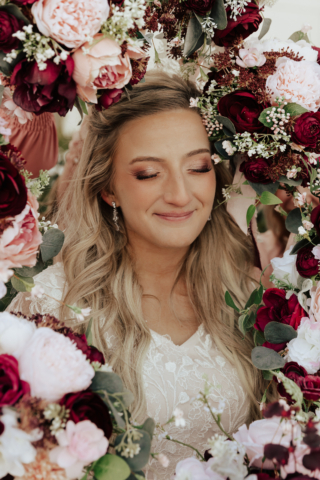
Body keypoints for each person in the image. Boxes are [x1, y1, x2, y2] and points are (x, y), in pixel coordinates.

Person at [7, 72, 271, 479]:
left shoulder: (248, 293)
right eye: (149, 173)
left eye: (198, 167)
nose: (181, 195)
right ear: (108, 187)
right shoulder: (54, 305)